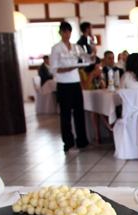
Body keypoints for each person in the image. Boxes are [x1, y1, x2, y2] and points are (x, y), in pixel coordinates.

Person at [50, 21, 90, 153]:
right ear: (60, 33)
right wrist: (68, 69)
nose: (67, 34)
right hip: (63, 84)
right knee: (66, 115)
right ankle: (68, 143)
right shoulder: (56, 48)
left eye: (69, 32)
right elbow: (53, 69)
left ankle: (82, 141)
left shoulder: (75, 47)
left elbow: (84, 59)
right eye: (64, 32)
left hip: (75, 82)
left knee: (79, 113)